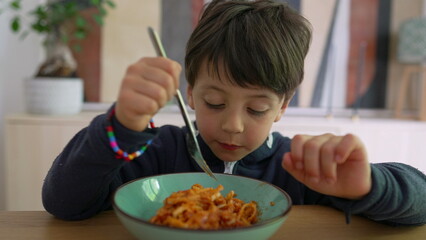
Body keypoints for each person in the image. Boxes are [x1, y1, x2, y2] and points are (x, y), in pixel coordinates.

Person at [42, 0, 426, 226]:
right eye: (214, 102)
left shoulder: (300, 167)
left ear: (284, 106)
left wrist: (370, 186)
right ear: (190, 92)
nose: (232, 124)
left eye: (257, 108)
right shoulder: (154, 152)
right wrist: (122, 127)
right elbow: (62, 202)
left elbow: (420, 203)